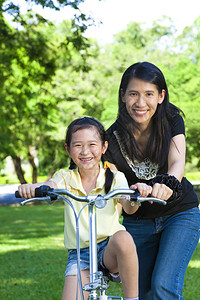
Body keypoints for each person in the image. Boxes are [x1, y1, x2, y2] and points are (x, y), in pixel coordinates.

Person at [103, 62, 200, 300]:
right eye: (133, 94)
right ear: (123, 95)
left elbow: (178, 162)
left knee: (163, 286)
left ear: (160, 96)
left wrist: (166, 185)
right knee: (143, 294)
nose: (140, 102)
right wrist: (130, 198)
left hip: (180, 212)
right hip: (138, 221)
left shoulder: (171, 120)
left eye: (149, 94)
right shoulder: (110, 140)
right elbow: (122, 194)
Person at [18, 117, 141, 300]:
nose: (85, 152)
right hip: (80, 254)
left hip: (109, 249)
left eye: (92, 144)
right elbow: (50, 185)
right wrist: (32, 188)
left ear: (104, 147)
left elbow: (129, 208)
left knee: (123, 237)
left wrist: (136, 196)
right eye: (77, 146)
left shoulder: (116, 178)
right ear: (68, 149)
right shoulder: (65, 177)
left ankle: (133, 298)